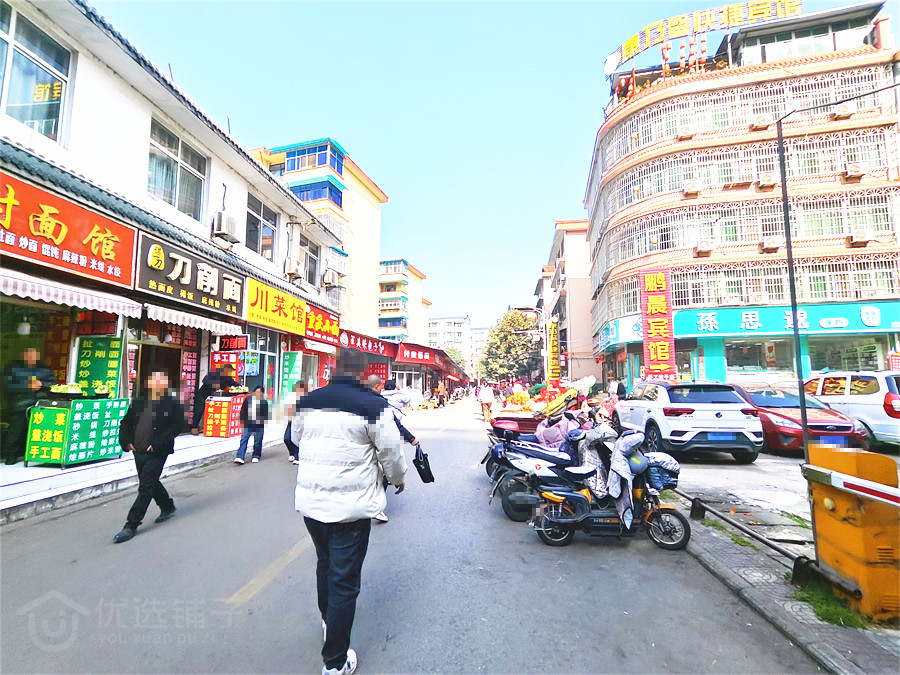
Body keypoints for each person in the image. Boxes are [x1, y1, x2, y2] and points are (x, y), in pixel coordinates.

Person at [291, 357, 406, 675]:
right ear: (363, 373)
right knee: (343, 580)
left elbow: (296, 438)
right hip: (351, 510)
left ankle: (328, 622)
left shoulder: (309, 401)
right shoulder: (373, 405)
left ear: (332, 371)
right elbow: (390, 453)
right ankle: (335, 662)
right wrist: (398, 479)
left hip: (312, 504)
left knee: (325, 563)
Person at [114, 370, 183, 543]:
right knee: (149, 482)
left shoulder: (172, 404)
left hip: (157, 451)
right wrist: (126, 441)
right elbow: (126, 423)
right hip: (138, 449)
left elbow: (176, 426)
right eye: (154, 380)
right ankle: (167, 506)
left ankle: (131, 525)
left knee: (145, 487)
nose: (157, 383)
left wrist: (158, 442)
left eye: (161, 381)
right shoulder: (139, 401)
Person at [2, 347, 56, 465]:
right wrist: (25, 387)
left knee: (41, 431)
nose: (31, 357)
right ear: (23, 355)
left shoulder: (44, 369)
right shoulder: (13, 369)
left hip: (40, 404)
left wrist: (42, 384)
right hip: (20, 403)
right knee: (15, 432)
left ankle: (39, 455)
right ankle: (11, 456)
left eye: (34, 355)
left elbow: (53, 385)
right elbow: (6, 385)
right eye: (29, 355)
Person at [191, 363, 239, 434]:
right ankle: (194, 427)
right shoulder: (214, 373)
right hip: (203, 395)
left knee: (211, 412)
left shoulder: (228, 378)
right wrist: (213, 384)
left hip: (213, 397)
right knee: (199, 410)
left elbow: (234, 384)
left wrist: (242, 388)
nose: (230, 372)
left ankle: (207, 428)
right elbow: (205, 381)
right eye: (229, 370)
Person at [235, 386, 268, 465]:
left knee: (258, 440)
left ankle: (256, 455)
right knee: (244, 438)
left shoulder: (264, 402)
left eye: (259, 392)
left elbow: (266, 415)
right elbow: (243, 410)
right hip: (248, 422)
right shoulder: (248, 400)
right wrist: (241, 420)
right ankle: (240, 456)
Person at [283, 381, 308, 465]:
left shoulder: (307, 397)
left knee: (299, 438)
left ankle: (298, 456)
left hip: (303, 422)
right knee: (287, 438)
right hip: (292, 421)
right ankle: (292, 453)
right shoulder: (292, 397)